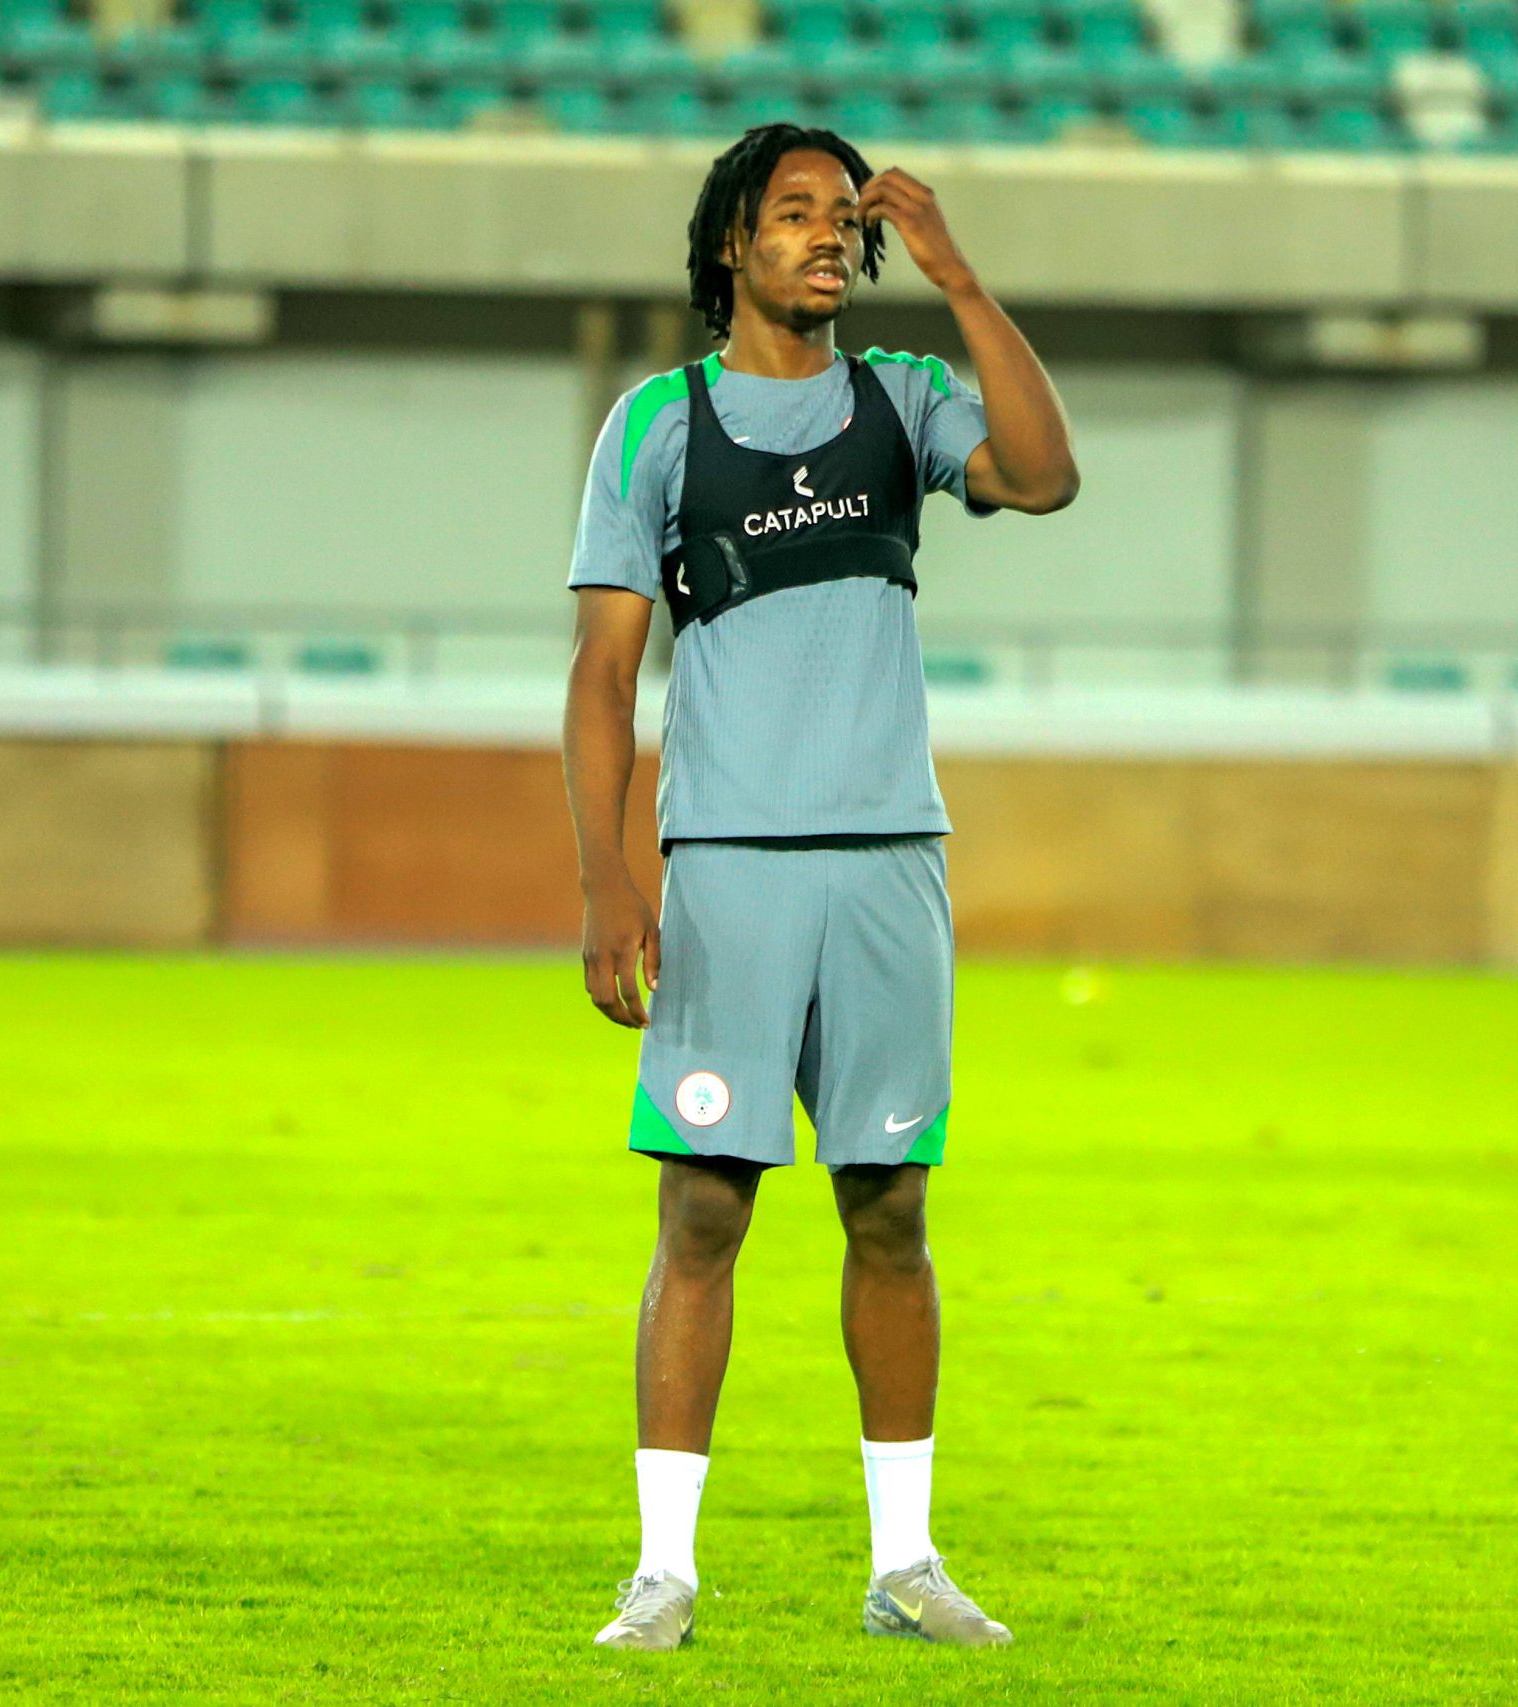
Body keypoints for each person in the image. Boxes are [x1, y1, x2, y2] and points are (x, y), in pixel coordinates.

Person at [559, 123, 1080, 1652]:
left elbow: (1044, 478)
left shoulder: (903, 401)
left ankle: (906, 1567)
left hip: (888, 865)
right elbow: (602, 677)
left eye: (845, 219)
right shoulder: (658, 423)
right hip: (728, 868)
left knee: (893, 1212)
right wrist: (609, 885)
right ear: (733, 242)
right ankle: (664, 1574)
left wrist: (961, 277)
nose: (828, 237)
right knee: (705, 1211)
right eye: (795, 214)